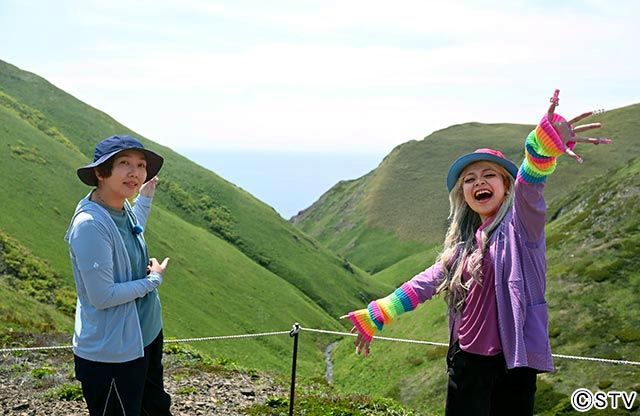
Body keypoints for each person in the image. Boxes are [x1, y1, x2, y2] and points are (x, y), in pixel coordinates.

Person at [343, 91, 611, 415]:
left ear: (506, 185)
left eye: (488, 175)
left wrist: (539, 149)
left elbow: (530, 185)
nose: (477, 183)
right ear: (464, 195)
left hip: (513, 364)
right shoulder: (463, 247)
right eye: (469, 180)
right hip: (466, 363)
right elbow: (425, 283)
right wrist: (379, 313)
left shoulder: (521, 226)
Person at [65, 135, 172, 415]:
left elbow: (131, 231)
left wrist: (145, 198)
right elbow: (102, 297)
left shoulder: (121, 207)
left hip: (143, 336)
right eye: (124, 163)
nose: (135, 172)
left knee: (155, 408)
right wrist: (153, 281)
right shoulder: (89, 225)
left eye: (140, 165)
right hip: (113, 352)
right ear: (100, 173)